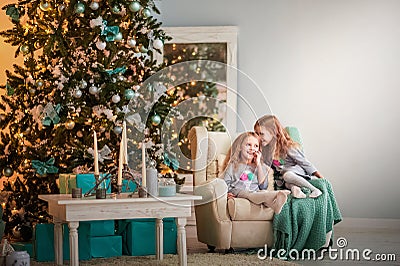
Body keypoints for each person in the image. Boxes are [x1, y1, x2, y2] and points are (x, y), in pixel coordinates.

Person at [254, 115, 323, 198]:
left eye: (261, 134)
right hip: (286, 177)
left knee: (287, 176)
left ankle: (314, 189)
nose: (258, 137)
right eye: (257, 134)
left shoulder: (287, 147)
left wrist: (320, 176)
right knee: (286, 183)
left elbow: (304, 162)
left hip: (297, 172)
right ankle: (296, 190)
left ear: (273, 132)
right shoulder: (267, 150)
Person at [221, 132, 290, 214]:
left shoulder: (261, 166)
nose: (252, 148)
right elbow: (225, 183)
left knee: (263, 193)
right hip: (239, 193)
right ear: (239, 147)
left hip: (256, 193)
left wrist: (258, 166)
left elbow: (263, 186)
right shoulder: (233, 165)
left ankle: (275, 205)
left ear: (259, 150)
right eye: (248, 145)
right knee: (250, 194)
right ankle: (275, 194)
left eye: (256, 146)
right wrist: (227, 194)